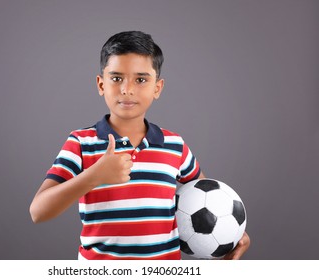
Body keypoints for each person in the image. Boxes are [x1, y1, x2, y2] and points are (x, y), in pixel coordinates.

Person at [29, 31, 250, 260]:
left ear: (157, 87)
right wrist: (94, 176)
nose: (127, 89)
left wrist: (232, 233)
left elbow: (208, 199)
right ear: (101, 84)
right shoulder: (81, 143)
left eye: (141, 79)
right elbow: (38, 211)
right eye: (116, 78)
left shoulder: (175, 145)